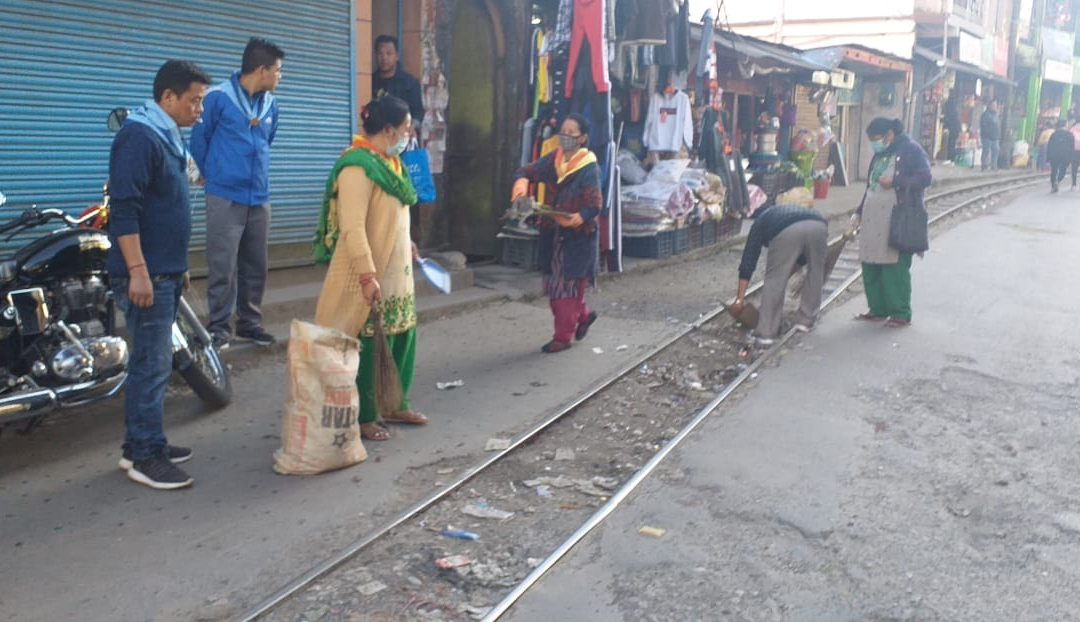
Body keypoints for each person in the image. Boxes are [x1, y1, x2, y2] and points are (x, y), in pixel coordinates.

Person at [109, 60, 211, 489]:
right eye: (194, 101)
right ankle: (145, 457)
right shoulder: (138, 137)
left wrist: (178, 266)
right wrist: (139, 272)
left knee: (155, 364)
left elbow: (170, 206)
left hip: (165, 271)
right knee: (151, 366)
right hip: (144, 274)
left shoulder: (167, 136)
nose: (199, 110)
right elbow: (124, 209)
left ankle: (143, 443)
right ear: (168, 98)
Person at [313, 96, 428, 442]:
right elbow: (354, 227)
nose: (410, 135)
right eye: (407, 129)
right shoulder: (356, 167)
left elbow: (392, 213)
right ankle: (364, 416)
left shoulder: (391, 164)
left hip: (397, 273)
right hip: (369, 272)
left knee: (400, 339)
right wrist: (366, 275)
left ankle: (395, 403)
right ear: (390, 129)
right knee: (368, 344)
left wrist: (406, 242)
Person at [190, 37, 285, 350]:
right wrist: (209, 176)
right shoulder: (217, 97)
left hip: (259, 196)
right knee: (223, 264)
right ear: (261, 70)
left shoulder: (271, 103)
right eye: (277, 70)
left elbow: (266, 141)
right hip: (224, 195)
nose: (280, 76)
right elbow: (199, 141)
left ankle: (250, 323)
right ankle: (219, 326)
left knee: (256, 263)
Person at [511, 114, 602, 353]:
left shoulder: (588, 167)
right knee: (554, 286)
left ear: (582, 138)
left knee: (566, 290)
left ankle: (562, 337)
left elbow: (595, 204)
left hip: (577, 239)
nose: (565, 137)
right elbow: (526, 171)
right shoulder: (556, 160)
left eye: (571, 133)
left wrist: (579, 217)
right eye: (563, 131)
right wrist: (520, 188)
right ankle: (582, 316)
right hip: (554, 234)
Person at [849, 117, 932, 328]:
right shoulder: (880, 154)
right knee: (870, 263)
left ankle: (900, 313)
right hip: (873, 216)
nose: (874, 143)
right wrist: (858, 212)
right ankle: (877, 309)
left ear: (889, 135)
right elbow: (871, 186)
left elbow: (925, 178)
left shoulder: (911, 150)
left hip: (896, 217)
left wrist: (896, 182)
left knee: (894, 266)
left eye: (876, 139)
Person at [729, 196, 827, 346]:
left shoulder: (759, 224)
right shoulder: (783, 212)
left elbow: (748, 261)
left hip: (787, 230)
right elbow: (801, 259)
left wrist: (739, 299)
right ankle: (806, 321)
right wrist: (785, 273)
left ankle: (766, 333)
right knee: (816, 273)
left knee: (774, 279)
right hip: (819, 225)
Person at [373, 35, 424, 133]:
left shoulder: (409, 83)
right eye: (380, 53)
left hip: (401, 138)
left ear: (397, 56)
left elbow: (418, 113)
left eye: (389, 53)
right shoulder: (371, 81)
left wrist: (412, 126)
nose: (384, 58)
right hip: (377, 138)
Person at [1047, 119, 1074, 193]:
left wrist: (1048, 157)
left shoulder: (1054, 134)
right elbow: (1072, 147)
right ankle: (1058, 181)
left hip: (1054, 155)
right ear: (1065, 125)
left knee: (1054, 170)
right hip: (1065, 156)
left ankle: (1053, 186)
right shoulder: (1070, 135)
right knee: (1063, 170)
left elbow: (1049, 146)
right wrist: (1071, 158)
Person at [980, 100, 1001, 172]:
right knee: (986, 151)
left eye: (996, 105)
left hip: (995, 137)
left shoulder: (996, 115)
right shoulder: (986, 115)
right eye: (993, 105)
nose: (995, 107)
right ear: (990, 106)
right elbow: (984, 126)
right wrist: (987, 133)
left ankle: (994, 166)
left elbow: (997, 125)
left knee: (996, 151)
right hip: (987, 137)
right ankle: (984, 166)